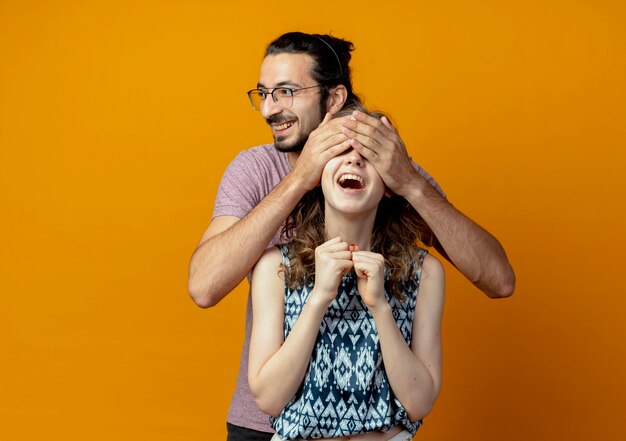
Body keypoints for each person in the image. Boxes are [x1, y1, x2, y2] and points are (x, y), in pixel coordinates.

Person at [188, 32, 515, 441]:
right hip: (264, 424)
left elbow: (499, 280)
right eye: (264, 93)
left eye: (286, 92)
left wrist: (410, 183)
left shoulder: (382, 170)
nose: (270, 109)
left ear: (335, 97)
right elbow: (203, 287)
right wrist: (298, 180)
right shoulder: (254, 170)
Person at [248, 107, 445, 441]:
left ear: (388, 184)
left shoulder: (424, 272)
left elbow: (419, 403)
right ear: (316, 173)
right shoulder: (275, 267)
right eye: (340, 151)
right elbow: (269, 399)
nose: (353, 161)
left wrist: (381, 307)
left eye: (368, 155)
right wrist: (318, 299)